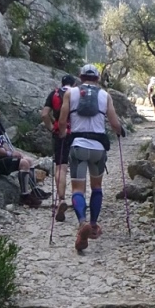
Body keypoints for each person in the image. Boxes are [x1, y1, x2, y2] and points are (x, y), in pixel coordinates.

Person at [58, 64, 125, 252]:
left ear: (80, 77)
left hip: (78, 145)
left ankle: (82, 223)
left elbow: (62, 121)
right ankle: (93, 224)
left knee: (78, 189)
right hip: (98, 148)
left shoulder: (70, 93)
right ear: (97, 78)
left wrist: (62, 134)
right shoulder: (105, 95)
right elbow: (114, 123)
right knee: (97, 187)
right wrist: (120, 131)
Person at [0, 101, 42, 208]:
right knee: (24, 163)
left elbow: (0, 145)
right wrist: (10, 154)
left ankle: (34, 191)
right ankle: (25, 197)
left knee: (29, 160)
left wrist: (13, 153)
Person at [41, 74, 76, 221]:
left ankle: (61, 199)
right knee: (77, 167)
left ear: (62, 83)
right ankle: (79, 198)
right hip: (76, 132)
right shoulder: (76, 93)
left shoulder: (53, 94)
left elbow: (44, 114)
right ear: (73, 84)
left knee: (60, 167)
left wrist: (51, 127)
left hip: (60, 133)